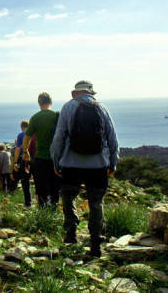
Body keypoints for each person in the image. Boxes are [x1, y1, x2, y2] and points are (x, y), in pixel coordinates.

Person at [50, 80, 119, 258]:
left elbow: (59, 137)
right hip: (98, 165)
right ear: (91, 93)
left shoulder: (67, 107)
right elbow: (112, 137)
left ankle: (71, 233)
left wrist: (56, 161)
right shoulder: (102, 108)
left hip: (71, 164)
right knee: (96, 203)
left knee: (68, 197)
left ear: (75, 93)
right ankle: (95, 242)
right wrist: (113, 163)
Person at [22, 92, 60, 208]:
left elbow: (27, 137)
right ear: (51, 102)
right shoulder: (58, 115)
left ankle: (43, 213)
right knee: (55, 187)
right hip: (56, 159)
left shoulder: (35, 117)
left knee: (42, 187)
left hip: (40, 158)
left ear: (39, 103)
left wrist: (26, 152)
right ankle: (53, 210)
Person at [11, 120, 36, 207]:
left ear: (22, 126)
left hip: (24, 160)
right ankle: (42, 203)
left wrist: (15, 162)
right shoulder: (35, 134)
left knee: (25, 182)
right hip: (36, 160)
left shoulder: (21, 135)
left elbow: (18, 149)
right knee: (39, 182)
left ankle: (28, 203)